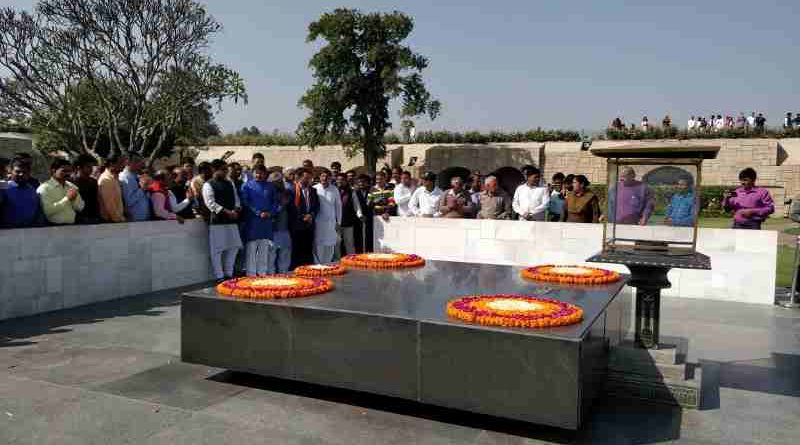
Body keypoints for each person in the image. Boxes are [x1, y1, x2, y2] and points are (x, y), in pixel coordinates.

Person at [203, 160, 243, 281]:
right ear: (215, 170)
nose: (226, 172)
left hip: (232, 221)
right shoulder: (208, 184)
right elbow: (210, 203)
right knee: (217, 250)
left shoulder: (229, 183)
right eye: (224, 169)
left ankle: (228, 273)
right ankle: (219, 276)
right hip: (218, 222)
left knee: (234, 247)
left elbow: (236, 199)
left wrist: (236, 209)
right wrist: (226, 212)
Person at [240, 164, 279, 276]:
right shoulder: (247, 186)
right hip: (252, 221)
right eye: (256, 172)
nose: (259, 175)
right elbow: (246, 202)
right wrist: (258, 212)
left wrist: (270, 213)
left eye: (261, 173)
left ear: (265, 174)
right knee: (251, 248)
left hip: (266, 222)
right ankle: (251, 274)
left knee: (264, 247)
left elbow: (275, 202)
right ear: (252, 173)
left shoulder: (270, 186)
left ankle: (262, 273)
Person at [38, 159, 85, 225]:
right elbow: (47, 211)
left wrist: (74, 200)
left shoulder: (72, 186)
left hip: (72, 226)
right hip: (52, 227)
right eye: (64, 171)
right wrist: (67, 199)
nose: (67, 174)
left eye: (69, 171)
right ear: (53, 171)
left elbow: (81, 207)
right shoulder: (44, 188)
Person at [0, 159, 44, 228]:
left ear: (29, 173)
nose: (21, 174)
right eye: (17, 171)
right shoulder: (3, 188)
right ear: (11, 171)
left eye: (24, 172)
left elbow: (37, 212)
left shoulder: (32, 190)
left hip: (30, 231)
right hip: (7, 232)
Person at [291, 168, 319, 268]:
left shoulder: (313, 190)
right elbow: (292, 208)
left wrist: (311, 215)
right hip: (297, 226)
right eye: (306, 178)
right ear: (299, 178)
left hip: (309, 225)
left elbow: (316, 206)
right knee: (297, 251)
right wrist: (303, 216)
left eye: (310, 178)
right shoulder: (292, 190)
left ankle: (308, 270)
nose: (308, 180)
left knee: (308, 250)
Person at [312, 170, 342, 264]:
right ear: (320, 177)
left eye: (327, 177)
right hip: (318, 222)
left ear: (330, 178)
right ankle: (319, 265)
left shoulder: (334, 189)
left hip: (331, 222)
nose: (324, 178)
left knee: (330, 244)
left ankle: (327, 264)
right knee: (319, 244)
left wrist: (339, 222)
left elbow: (338, 206)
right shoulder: (314, 188)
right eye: (322, 176)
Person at [270, 171, 293, 272]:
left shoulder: (287, 193)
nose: (278, 183)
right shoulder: (268, 194)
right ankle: (270, 276)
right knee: (271, 256)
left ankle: (284, 274)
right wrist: (281, 205)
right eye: (275, 181)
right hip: (272, 230)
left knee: (285, 254)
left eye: (280, 181)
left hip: (285, 229)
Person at [336, 172, 363, 257]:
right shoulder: (333, 190)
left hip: (348, 222)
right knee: (337, 244)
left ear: (346, 181)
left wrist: (360, 215)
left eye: (342, 180)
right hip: (336, 223)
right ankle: (337, 262)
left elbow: (357, 205)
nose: (340, 182)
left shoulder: (351, 192)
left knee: (349, 243)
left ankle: (352, 261)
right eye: (338, 180)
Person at [119, 154, 151, 221]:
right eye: (137, 161)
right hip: (135, 220)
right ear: (127, 162)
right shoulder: (125, 178)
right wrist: (142, 189)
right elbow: (129, 201)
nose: (140, 163)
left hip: (144, 218)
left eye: (140, 161)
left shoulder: (136, 176)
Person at [72, 154, 100, 224]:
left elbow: (96, 201)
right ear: (79, 167)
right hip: (79, 221)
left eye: (91, 166)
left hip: (94, 219)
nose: (91, 169)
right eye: (88, 167)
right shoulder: (72, 183)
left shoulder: (93, 182)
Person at [98, 156, 126, 223]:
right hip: (112, 223)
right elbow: (110, 205)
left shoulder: (114, 178)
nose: (123, 165)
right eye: (121, 163)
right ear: (112, 164)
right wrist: (120, 220)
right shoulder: (106, 180)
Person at [354, 174, 373, 252]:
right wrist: (360, 216)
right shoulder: (355, 192)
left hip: (369, 219)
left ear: (367, 182)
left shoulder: (372, 191)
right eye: (359, 182)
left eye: (363, 182)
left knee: (369, 238)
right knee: (359, 239)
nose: (361, 184)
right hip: (358, 220)